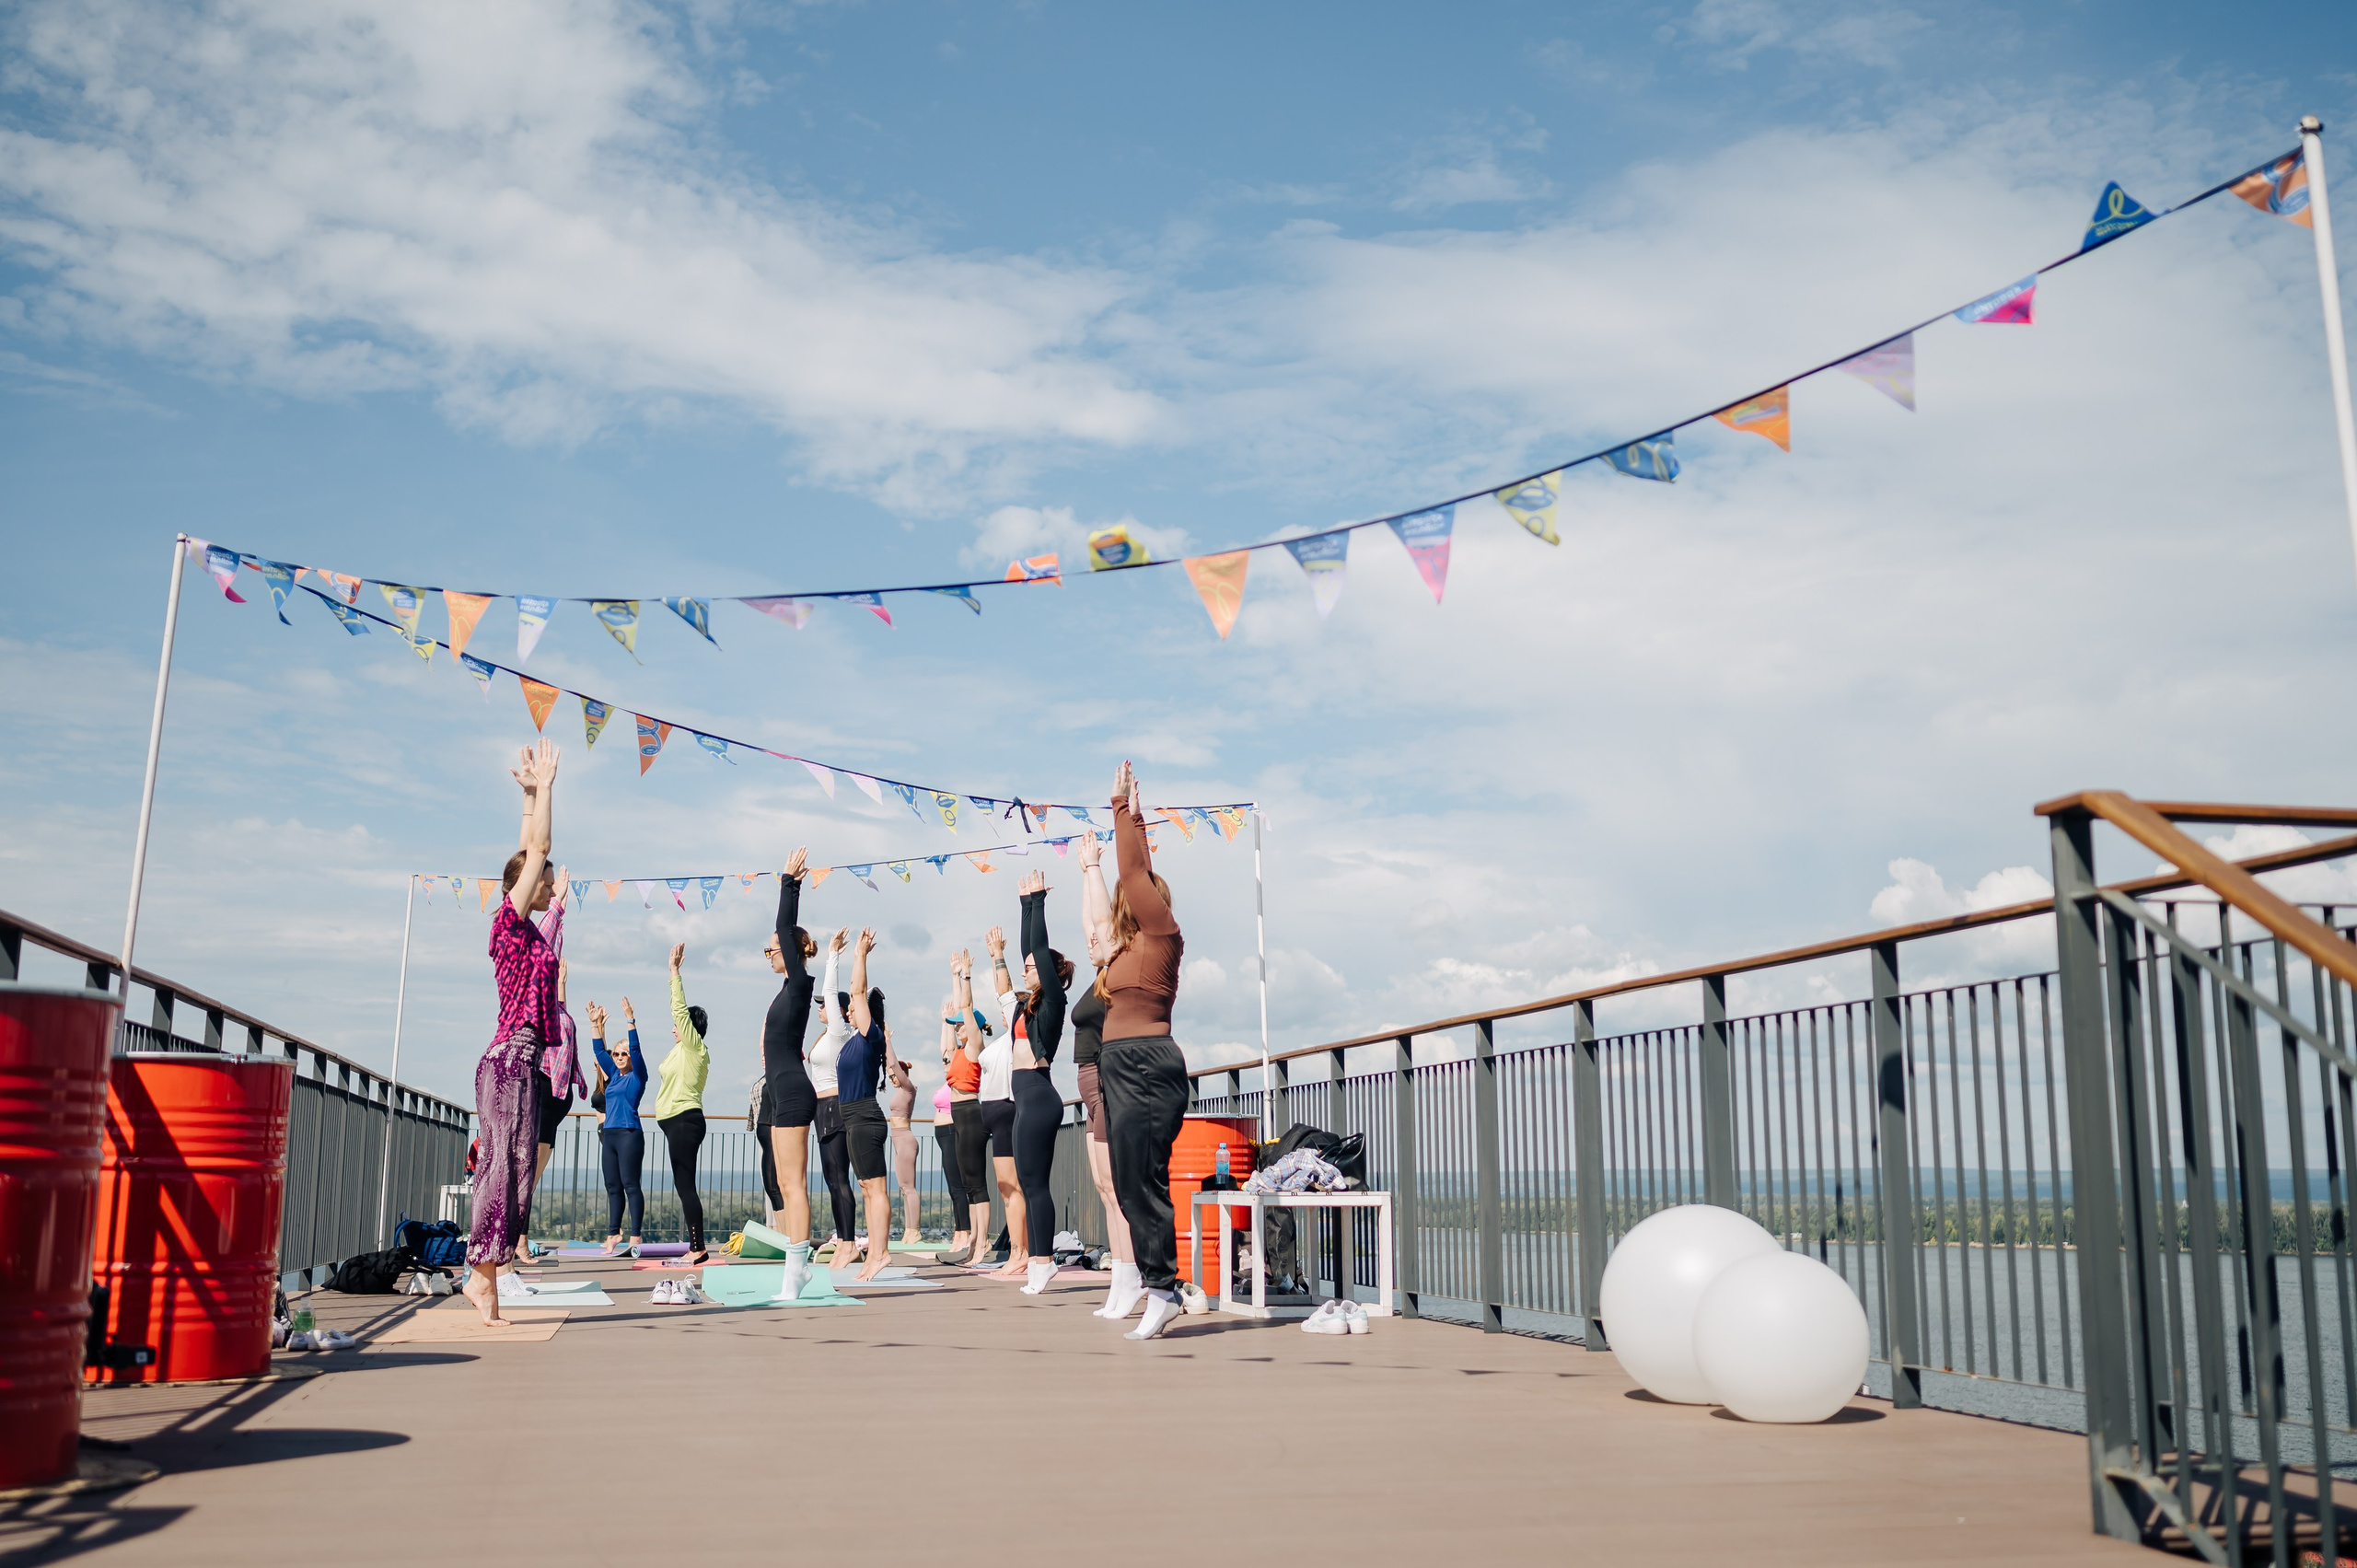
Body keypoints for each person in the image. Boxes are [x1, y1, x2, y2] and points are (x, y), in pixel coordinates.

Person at [464, 739, 562, 1327]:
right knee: (500, 1167)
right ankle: (480, 1275)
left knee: (519, 1174)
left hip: (524, 1066)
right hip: (505, 1063)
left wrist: (527, 798)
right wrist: (548, 788)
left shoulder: (526, 929)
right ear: (521, 889)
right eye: (541, 881)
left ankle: (490, 1287)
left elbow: (528, 850)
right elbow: (538, 852)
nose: (549, 885)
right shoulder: (508, 922)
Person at [1096, 761, 1190, 1342]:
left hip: (1148, 1067)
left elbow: (1133, 872)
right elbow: (1129, 879)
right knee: (1128, 1183)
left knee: (1143, 1182)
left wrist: (1123, 808)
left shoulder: (1163, 936)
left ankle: (1163, 1290)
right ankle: (1158, 1288)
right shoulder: (1125, 949)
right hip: (1120, 1068)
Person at [992, 871, 1071, 1294]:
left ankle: (1042, 1263)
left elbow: (1035, 947)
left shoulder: (1054, 1001)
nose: (1027, 966)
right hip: (1024, 1099)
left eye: (1033, 967)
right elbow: (1028, 950)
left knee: (1036, 1185)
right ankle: (1040, 1262)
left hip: (1039, 1097)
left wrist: (1036, 901)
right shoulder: (1026, 1007)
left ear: (1052, 973)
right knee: (1027, 1182)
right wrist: (1023, 903)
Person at [1074, 830, 1141, 1318]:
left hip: (1109, 1081)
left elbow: (1100, 922)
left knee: (1116, 1185)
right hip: (1093, 1085)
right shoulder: (1099, 976)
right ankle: (1121, 1274)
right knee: (1103, 1185)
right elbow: (1091, 924)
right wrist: (1084, 872)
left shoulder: (1118, 972)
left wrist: (1095, 869)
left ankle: (1131, 1274)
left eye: (1103, 937)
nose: (1093, 939)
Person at [761, 849, 819, 1300]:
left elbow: (784, 928)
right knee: (783, 1183)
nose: (769, 953)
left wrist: (789, 883)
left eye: (775, 949)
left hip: (795, 1089)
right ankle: (792, 1267)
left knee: (794, 1183)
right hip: (779, 1089)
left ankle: (795, 1272)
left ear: (793, 952)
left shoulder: (800, 984)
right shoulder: (784, 989)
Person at [833, 929, 897, 1282]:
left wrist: (859, 956)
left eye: (853, 1009)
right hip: (853, 1119)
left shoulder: (870, 1036)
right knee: (868, 1189)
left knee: (877, 1189)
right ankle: (874, 1253)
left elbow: (857, 991)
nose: (848, 1012)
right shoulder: (852, 1042)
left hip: (865, 1116)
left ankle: (881, 1253)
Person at [655, 942, 713, 1265]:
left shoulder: (694, 1047)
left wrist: (674, 973)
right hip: (676, 1123)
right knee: (682, 1184)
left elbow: (679, 1010)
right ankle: (696, 1246)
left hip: (684, 1121)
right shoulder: (679, 1051)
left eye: (679, 1026)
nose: (673, 1028)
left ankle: (698, 1247)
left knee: (685, 1185)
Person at [976, 929, 1027, 1273]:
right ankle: (1017, 1254)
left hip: (1006, 1111)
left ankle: (1020, 1255)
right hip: (992, 1114)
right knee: (1005, 1188)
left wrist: (996, 955)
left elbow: (1004, 991)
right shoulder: (1001, 1042)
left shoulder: (1017, 1035)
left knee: (1012, 1187)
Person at [807, 929, 858, 1263]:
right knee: (831, 1178)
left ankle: (849, 1243)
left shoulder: (841, 1031)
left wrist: (832, 955)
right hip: (821, 1108)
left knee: (840, 1178)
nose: (820, 1010)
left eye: (824, 1006)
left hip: (835, 1107)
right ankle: (843, 1239)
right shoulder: (827, 1035)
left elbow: (829, 989)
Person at [945, 953, 994, 1264]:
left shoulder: (975, 1045)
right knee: (967, 1183)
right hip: (958, 1117)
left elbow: (966, 1008)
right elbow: (957, 1012)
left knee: (976, 1182)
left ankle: (982, 1242)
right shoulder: (960, 1049)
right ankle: (975, 1241)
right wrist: (953, 976)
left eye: (961, 1025)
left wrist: (966, 977)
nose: (957, 1028)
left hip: (972, 1114)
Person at [589, 998, 649, 1253]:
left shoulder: (638, 1076)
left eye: (624, 1054)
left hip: (629, 1134)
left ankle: (635, 1235)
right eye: (617, 1054)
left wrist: (630, 1021)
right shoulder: (613, 1076)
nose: (621, 1057)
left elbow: (636, 1051)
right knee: (612, 1185)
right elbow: (598, 1052)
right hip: (610, 1135)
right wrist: (593, 1024)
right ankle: (614, 1233)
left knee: (630, 1184)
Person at [887, 1040, 921, 1245]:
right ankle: (909, 1230)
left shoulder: (909, 1089)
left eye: (894, 1076)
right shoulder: (900, 1091)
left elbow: (893, 1064)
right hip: (897, 1141)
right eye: (890, 1077)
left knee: (909, 1188)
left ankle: (914, 1230)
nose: (892, 1079)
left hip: (906, 1140)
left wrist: (888, 1042)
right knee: (903, 1187)